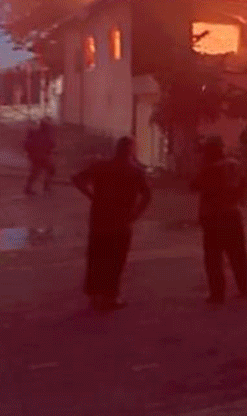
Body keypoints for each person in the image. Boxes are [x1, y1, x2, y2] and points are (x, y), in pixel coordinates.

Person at [72, 137, 151, 311]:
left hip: (99, 220)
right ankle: (109, 297)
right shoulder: (135, 171)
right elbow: (147, 195)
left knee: (96, 257)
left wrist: (91, 196)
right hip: (120, 222)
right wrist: (135, 214)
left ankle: (94, 297)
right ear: (130, 150)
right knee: (115, 260)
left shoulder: (101, 167)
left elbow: (77, 179)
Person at [191, 137, 247, 303]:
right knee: (238, 253)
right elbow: (244, 183)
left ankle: (217, 293)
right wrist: (239, 197)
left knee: (213, 257)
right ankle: (244, 286)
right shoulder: (234, 164)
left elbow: (194, 185)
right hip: (233, 214)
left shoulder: (210, 169)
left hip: (214, 217)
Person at [23, 118, 57, 195]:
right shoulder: (45, 135)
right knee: (48, 170)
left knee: (36, 172)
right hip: (42, 157)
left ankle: (30, 188)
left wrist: (29, 154)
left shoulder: (34, 133)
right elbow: (52, 144)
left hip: (36, 156)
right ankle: (44, 186)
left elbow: (26, 145)